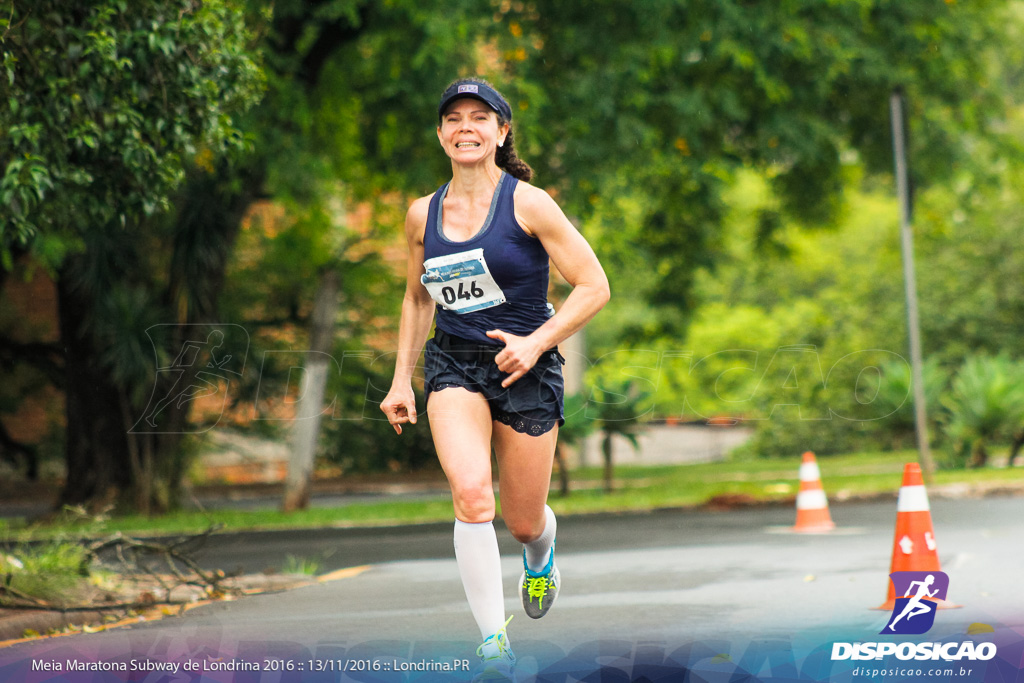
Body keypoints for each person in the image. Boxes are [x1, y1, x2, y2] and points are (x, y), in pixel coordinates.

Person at [380, 78, 609, 680]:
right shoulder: (421, 214)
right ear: (440, 135)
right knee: (472, 496)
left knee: (523, 519)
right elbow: (415, 299)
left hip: (525, 369)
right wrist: (402, 380)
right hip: (453, 363)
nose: (465, 127)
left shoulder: (529, 204)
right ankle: (493, 645)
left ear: (501, 132)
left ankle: (540, 556)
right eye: (453, 118)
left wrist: (536, 344)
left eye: (480, 117)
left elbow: (595, 286)